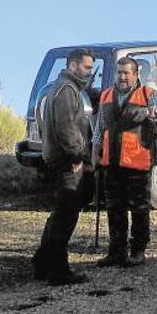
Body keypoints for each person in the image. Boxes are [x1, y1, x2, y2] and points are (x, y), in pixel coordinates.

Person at [92, 57, 157, 267]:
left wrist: (147, 112)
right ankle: (117, 251)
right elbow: (99, 128)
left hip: (138, 163)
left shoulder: (147, 93)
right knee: (114, 208)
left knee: (139, 208)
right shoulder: (106, 95)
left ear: (136, 74)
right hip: (112, 162)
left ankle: (138, 251)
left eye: (126, 73)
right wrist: (95, 152)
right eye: (119, 73)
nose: (122, 77)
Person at [32, 48, 96, 286]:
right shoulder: (67, 90)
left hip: (59, 158)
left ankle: (42, 262)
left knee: (60, 214)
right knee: (65, 216)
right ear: (72, 66)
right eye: (87, 67)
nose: (90, 72)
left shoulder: (61, 88)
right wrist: (79, 157)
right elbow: (66, 128)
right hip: (66, 161)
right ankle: (58, 270)